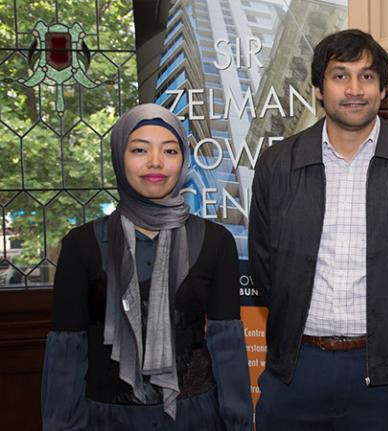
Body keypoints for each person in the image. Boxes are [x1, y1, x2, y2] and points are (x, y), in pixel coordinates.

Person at [249, 29, 388, 430]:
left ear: (383, 90)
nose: (354, 89)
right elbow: (263, 266)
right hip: (295, 369)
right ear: (317, 89)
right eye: (340, 75)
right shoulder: (277, 166)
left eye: (367, 76)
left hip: (385, 377)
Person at [41, 104, 253, 430]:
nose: (155, 162)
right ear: (118, 156)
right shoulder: (81, 244)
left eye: (169, 150)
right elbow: (67, 353)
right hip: (106, 419)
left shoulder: (216, 241)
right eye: (139, 149)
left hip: (195, 418)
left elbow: (226, 345)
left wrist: (237, 422)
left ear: (183, 160)